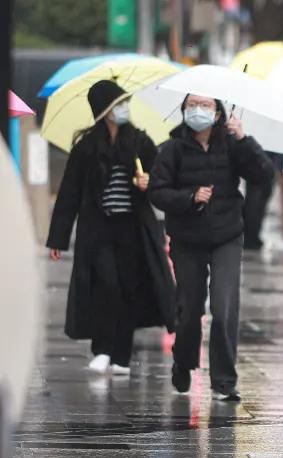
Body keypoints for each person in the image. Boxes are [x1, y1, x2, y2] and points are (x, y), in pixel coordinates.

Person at [149, 94, 273, 401]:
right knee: (190, 309)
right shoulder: (172, 148)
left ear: (218, 113)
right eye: (192, 105)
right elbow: (157, 191)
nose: (197, 111)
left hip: (227, 236)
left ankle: (224, 380)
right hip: (187, 238)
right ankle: (184, 361)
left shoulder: (231, 145)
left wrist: (244, 139)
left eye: (205, 106)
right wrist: (189, 197)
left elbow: (263, 175)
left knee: (223, 306)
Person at [46, 80, 175, 376]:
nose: (124, 109)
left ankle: (121, 356)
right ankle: (102, 349)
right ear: (104, 110)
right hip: (99, 229)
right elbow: (69, 193)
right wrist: (58, 238)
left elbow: (161, 182)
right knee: (107, 285)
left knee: (129, 288)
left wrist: (149, 183)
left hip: (133, 229)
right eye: (119, 104)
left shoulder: (141, 142)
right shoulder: (86, 148)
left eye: (126, 103)